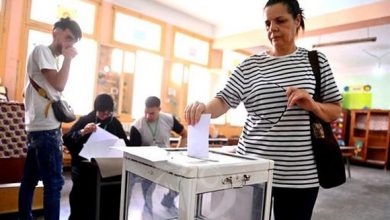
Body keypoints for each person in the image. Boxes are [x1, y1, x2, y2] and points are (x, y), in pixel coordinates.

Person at [184, 1, 342, 220]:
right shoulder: (249, 65)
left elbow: (335, 110)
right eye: (268, 23)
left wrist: (312, 104)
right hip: (251, 169)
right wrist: (203, 108)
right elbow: (223, 100)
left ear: (297, 20)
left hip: (300, 174)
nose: (272, 28)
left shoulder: (315, 61)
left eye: (280, 21)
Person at [19, 17, 82, 220]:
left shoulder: (49, 57)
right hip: (46, 129)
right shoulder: (42, 51)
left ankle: (24, 216)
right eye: (69, 37)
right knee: (54, 184)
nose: (70, 44)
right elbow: (59, 84)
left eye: (74, 41)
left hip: (38, 127)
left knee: (29, 180)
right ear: (56, 31)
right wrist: (69, 59)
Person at [63, 93, 131, 220]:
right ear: (96, 110)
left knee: (114, 192)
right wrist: (83, 132)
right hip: (85, 168)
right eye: (101, 113)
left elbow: (125, 144)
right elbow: (67, 139)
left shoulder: (115, 123)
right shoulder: (85, 120)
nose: (104, 116)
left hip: (107, 168)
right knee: (81, 196)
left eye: (107, 114)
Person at [129, 96, 187, 213]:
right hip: (148, 164)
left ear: (159, 109)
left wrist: (177, 152)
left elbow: (184, 134)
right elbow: (133, 154)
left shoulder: (169, 119)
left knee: (182, 182)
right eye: (146, 112)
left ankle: (168, 199)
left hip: (167, 160)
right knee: (148, 191)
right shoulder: (136, 126)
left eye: (152, 113)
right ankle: (148, 212)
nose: (147, 116)